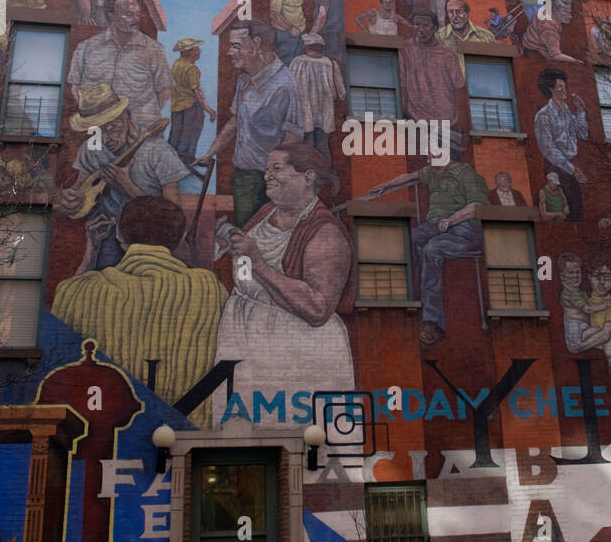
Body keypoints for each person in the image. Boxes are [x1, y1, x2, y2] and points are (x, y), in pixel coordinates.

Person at [52, 196, 227, 425]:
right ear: (181, 237)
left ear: (118, 235)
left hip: (104, 432)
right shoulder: (209, 287)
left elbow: (67, 301)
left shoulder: (83, 290)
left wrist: (91, 252)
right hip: (189, 437)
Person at [212, 144, 354, 424]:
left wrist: (258, 263)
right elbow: (246, 268)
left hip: (297, 346)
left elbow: (317, 309)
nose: (267, 176)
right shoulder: (266, 212)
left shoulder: (326, 232)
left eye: (277, 169)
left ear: (308, 177)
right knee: (235, 427)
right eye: (267, 169)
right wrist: (230, 244)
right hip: (243, 334)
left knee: (295, 432)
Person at [363, 134, 488, 346]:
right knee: (404, 240)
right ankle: (407, 294)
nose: (427, 155)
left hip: (464, 228)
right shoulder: (432, 172)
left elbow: (477, 206)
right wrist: (385, 185)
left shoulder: (466, 173)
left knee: (431, 250)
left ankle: (433, 322)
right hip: (435, 226)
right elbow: (409, 177)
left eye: (431, 151)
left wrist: (452, 219)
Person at [54, 83, 190, 270]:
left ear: (125, 117)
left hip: (151, 235)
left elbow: (175, 214)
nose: (105, 138)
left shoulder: (157, 151)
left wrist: (127, 186)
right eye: (97, 130)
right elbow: (80, 190)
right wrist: (69, 200)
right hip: (109, 232)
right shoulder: (91, 149)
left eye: (112, 127)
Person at [197, 19, 303, 226]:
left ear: (256, 44)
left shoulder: (286, 85)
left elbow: (293, 139)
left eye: (236, 45)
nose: (229, 52)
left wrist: (278, 176)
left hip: (271, 179)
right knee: (243, 233)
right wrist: (209, 153)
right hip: (244, 176)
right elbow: (235, 121)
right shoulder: (244, 79)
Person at [67, 0, 172, 129]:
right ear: (111, 15)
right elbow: (75, 87)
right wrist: (95, 115)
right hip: (99, 132)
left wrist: (144, 116)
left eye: (137, 14)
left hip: (141, 131)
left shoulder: (154, 50)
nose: (136, 19)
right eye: (129, 14)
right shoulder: (87, 48)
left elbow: (165, 90)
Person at [558, 254, 611, 378]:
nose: (601, 282)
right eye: (597, 277)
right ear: (589, 277)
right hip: (578, 334)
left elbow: (605, 334)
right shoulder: (581, 297)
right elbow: (585, 309)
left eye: (607, 278)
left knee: (606, 336)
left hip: (589, 340)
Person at [534, 68, 590, 221]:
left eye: (565, 86)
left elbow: (583, 135)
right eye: (560, 87)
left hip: (569, 165)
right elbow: (548, 149)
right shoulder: (544, 116)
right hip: (555, 167)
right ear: (550, 89)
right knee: (565, 208)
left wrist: (580, 111)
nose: (564, 90)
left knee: (576, 208)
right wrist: (573, 170)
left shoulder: (568, 114)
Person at [398, 13, 464, 124]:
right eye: (417, 25)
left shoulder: (448, 55)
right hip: (414, 118)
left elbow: (460, 88)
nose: (420, 29)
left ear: (434, 29)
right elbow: (402, 84)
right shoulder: (405, 49)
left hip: (446, 120)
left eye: (425, 26)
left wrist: (464, 125)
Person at [288, 33, 347, 154]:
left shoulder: (298, 62)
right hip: (324, 111)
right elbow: (342, 92)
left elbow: (289, 85)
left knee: (305, 142)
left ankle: (308, 167)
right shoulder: (331, 63)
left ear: (306, 47)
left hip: (305, 110)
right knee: (322, 143)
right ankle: (324, 168)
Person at [169, 37, 217, 167]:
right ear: (189, 52)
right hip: (191, 108)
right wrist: (209, 110)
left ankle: (172, 163)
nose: (199, 52)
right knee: (190, 135)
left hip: (176, 107)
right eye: (196, 49)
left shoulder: (176, 64)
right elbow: (198, 93)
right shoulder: (191, 69)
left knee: (176, 135)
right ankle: (187, 163)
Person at [437, 0, 497, 76]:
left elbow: (495, 67)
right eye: (451, 12)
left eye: (459, 11)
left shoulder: (486, 36)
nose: (455, 16)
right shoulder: (439, 37)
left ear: (467, 13)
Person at [269, 0, 308, 64]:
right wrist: (290, 28)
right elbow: (274, 14)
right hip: (285, 34)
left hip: (300, 34)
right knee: (285, 62)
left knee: (298, 63)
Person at [310, 0, 345, 65]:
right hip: (338, 33)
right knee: (335, 62)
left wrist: (312, 33)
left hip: (327, 34)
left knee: (326, 63)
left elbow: (322, 14)